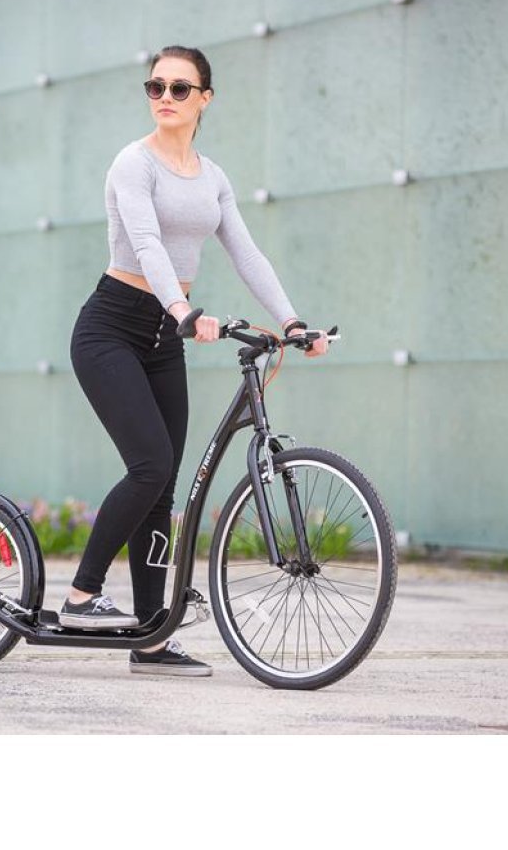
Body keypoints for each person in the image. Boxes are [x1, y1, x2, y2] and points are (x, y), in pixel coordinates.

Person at [61, 45, 329, 677]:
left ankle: (151, 639)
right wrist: (183, 308)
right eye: (156, 86)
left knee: (163, 485)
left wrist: (292, 322)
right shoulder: (134, 163)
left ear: (205, 98)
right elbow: (147, 244)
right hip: (110, 329)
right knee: (150, 465)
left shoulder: (213, 178)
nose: (165, 97)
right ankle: (81, 596)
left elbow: (247, 253)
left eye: (180, 88)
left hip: (164, 339)